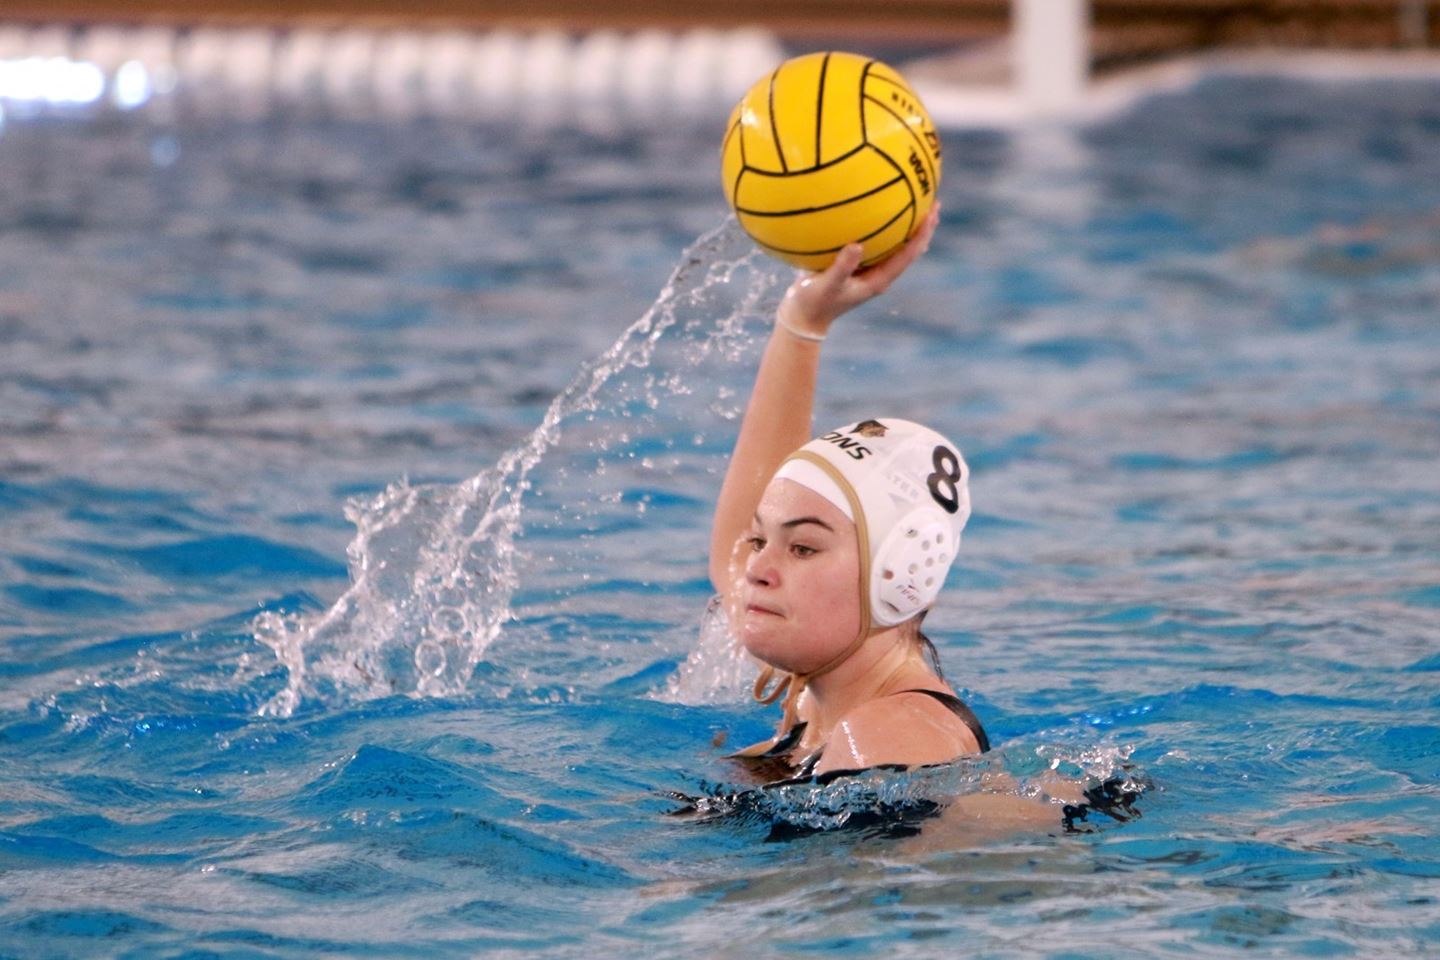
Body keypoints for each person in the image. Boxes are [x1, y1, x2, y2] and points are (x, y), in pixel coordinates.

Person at [708, 205, 989, 781]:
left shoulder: (891, 737)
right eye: (762, 539)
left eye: (803, 548)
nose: (756, 567)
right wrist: (801, 322)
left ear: (899, 573)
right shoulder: (824, 701)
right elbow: (733, 556)